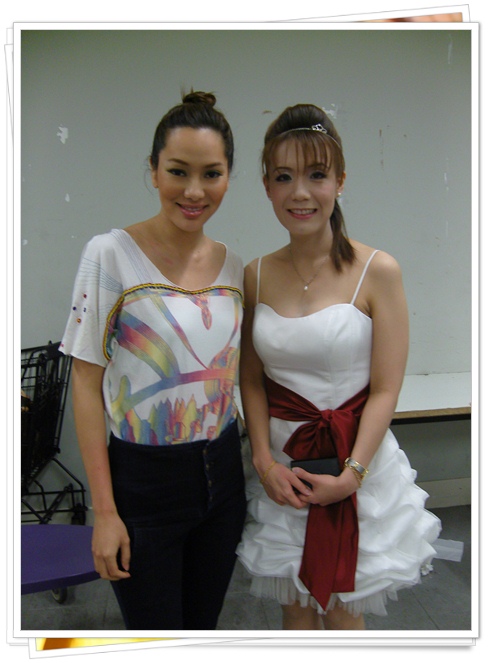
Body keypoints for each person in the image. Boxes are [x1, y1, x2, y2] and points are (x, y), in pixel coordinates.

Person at [236, 103, 441, 630]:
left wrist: (352, 477)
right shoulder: (254, 275)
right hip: (284, 466)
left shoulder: (378, 271)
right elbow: (251, 380)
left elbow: (386, 389)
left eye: (317, 175)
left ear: (340, 181)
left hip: (357, 463)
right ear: (266, 186)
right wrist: (263, 461)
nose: (300, 193)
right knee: (295, 613)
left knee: (346, 616)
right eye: (284, 177)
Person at [60, 91, 247, 630]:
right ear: (153, 170)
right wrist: (104, 511)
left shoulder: (234, 265)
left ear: (228, 176)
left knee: (201, 630)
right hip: (142, 485)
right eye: (178, 171)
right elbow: (85, 382)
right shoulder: (110, 255)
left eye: (211, 174)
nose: (194, 191)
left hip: (223, 475)